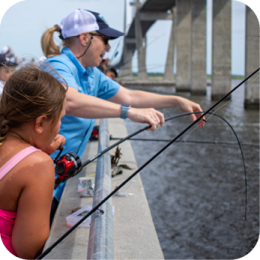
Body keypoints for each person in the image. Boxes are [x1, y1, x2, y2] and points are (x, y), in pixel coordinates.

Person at [40, 9, 205, 212]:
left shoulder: (92, 74)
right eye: (105, 39)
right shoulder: (56, 65)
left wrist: (177, 100)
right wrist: (128, 112)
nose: (108, 46)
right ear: (84, 38)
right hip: (37, 180)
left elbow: (130, 96)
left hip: (59, 180)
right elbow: (70, 101)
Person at [0, 67, 66, 259]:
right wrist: (39, 161)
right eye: (60, 119)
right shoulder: (39, 165)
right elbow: (27, 249)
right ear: (40, 123)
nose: (60, 126)